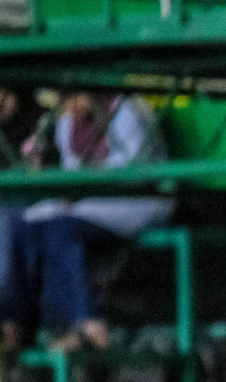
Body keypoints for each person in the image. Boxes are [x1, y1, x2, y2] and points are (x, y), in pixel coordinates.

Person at [5, 94, 173, 349]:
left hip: (136, 198)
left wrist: (85, 182)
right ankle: (14, 323)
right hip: (88, 202)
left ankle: (86, 324)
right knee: (21, 227)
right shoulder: (66, 122)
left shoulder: (129, 110)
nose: (68, 103)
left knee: (60, 230)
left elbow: (135, 170)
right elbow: (72, 170)